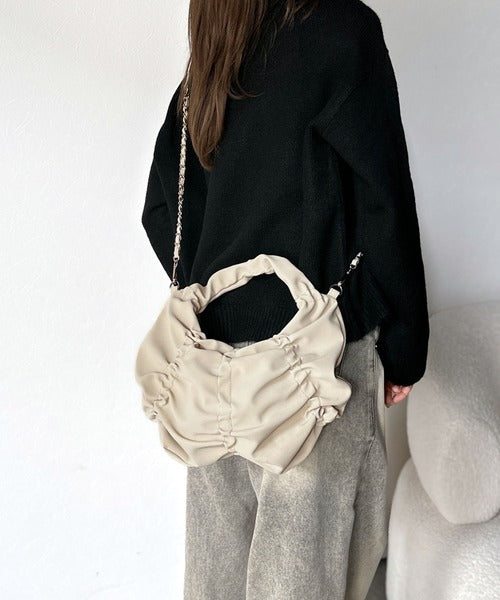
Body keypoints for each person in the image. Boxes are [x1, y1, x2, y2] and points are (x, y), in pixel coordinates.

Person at [141, 1, 430, 598]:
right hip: (315, 365)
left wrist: (220, 292)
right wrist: (404, 346)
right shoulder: (341, 30)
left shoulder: (214, 52)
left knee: (215, 581)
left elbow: (160, 211)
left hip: (209, 373)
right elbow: (385, 203)